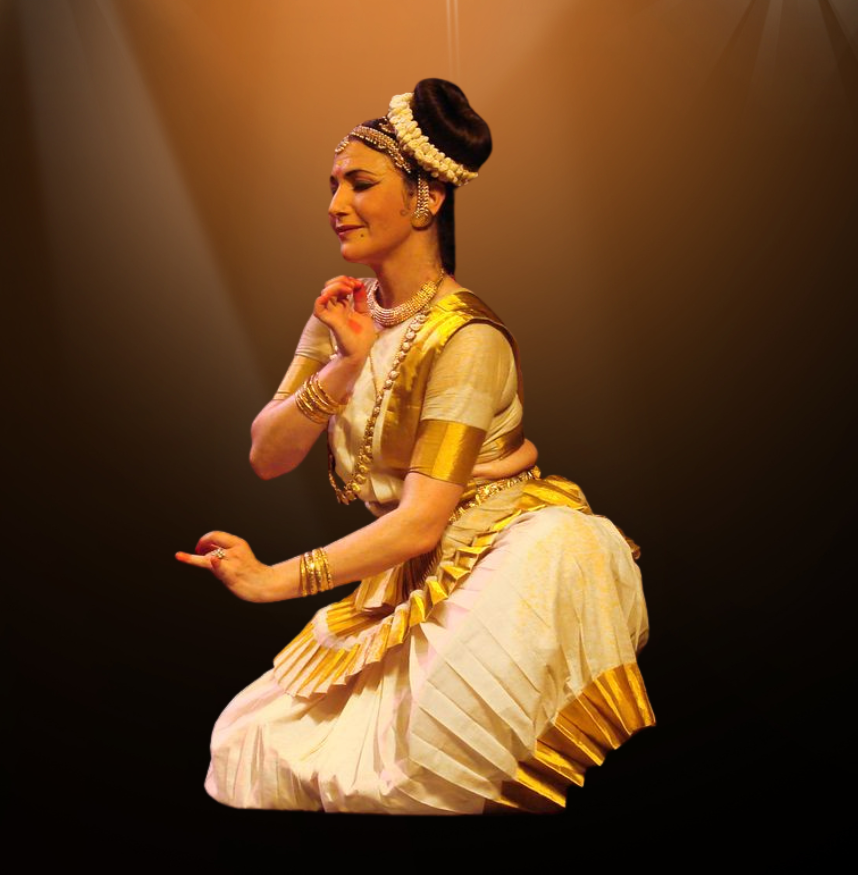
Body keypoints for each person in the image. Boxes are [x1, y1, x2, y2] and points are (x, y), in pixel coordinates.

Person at [175, 79, 654, 813]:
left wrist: (274, 580)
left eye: (360, 184)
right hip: (406, 572)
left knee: (419, 759)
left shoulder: (469, 338)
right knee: (249, 744)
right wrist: (344, 366)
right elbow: (268, 455)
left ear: (426, 198)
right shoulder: (344, 313)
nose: (336, 204)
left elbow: (422, 521)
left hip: (505, 557)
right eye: (334, 185)